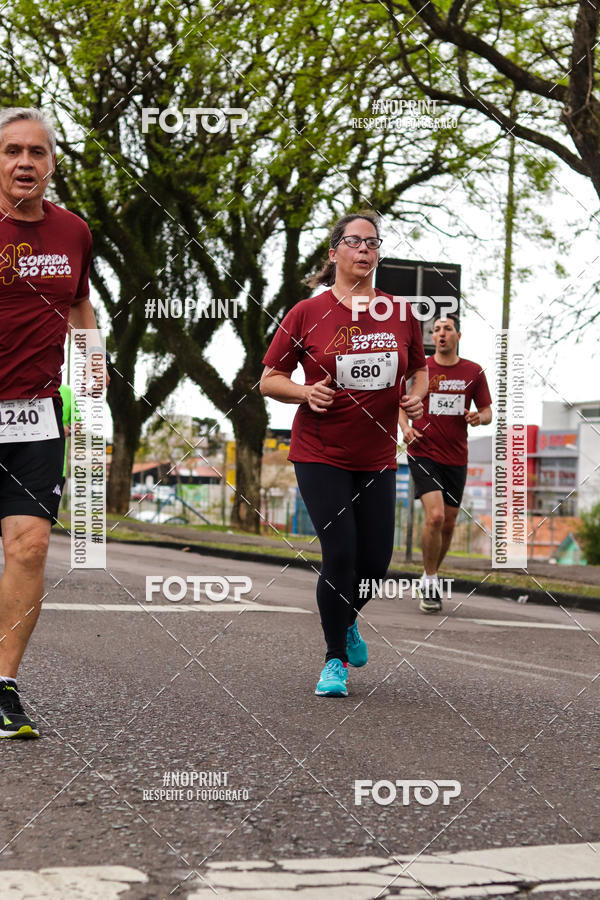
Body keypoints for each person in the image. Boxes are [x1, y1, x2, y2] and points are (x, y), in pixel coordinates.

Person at [260, 211, 427, 697]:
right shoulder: (306, 313)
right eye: (354, 242)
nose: (365, 250)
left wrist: (413, 398)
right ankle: (334, 659)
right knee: (341, 553)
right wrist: (304, 392)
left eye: (373, 243)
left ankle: (347, 618)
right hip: (320, 451)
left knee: (377, 561)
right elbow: (269, 379)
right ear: (334, 252)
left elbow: (416, 372)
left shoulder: (399, 312)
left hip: (376, 454)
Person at [0, 108, 107, 738]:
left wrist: (93, 364)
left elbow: (78, 300)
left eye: (36, 153)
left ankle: (3, 685)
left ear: (52, 164)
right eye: (12, 151)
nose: (24, 163)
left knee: (31, 546)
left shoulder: (73, 232)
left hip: (36, 415)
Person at [399, 314, 492, 613]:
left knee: (449, 524)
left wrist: (478, 418)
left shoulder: (473, 372)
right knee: (436, 516)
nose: (441, 333)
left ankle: (428, 575)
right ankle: (432, 581)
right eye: (436, 329)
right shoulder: (421, 370)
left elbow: (488, 411)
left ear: (458, 336)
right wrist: (406, 429)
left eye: (447, 329)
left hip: (456, 456)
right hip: (423, 451)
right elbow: (398, 402)